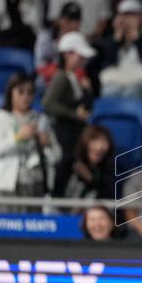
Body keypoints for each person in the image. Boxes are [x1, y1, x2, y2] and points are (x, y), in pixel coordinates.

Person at [0, 73, 62, 206]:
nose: (25, 97)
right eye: (20, 92)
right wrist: (18, 137)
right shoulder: (0, 118)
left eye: (30, 93)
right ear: (10, 93)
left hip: (36, 183)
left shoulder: (41, 119)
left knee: (34, 225)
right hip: (6, 186)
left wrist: (47, 144)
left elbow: (57, 155)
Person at [42, 31, 95, 181]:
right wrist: (74, 114)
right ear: (67, 54)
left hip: (72, 136)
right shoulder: (61, 77)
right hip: (62, 135)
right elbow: (48, 103)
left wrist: (87, 91)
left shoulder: (74, 78)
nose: (83, 60)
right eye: (80, 56)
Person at [98, 0, 142, 98]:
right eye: (125, 15)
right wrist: (117, 37)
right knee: (109, 93)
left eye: (132, 15)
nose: (128, 19)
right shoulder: (113, 38)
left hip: (140, 79)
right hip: (117, 79)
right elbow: (110, 61)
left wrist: (136, 35)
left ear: (140, 17)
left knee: (131, 94)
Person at [58, 125, 115, 201]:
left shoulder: (110, 171)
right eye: (95, 140)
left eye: (104, 141)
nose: (99, 147)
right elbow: (56, 195)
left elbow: (110, 198)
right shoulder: (68, 164)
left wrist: (91, 179)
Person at [35, 1, 83, 86]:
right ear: (60, 20)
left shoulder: (80, 41)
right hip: (45, 82)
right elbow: (40, 66)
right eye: (67, 20)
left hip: (70, 83)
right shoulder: (46, 36)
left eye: (75, 21)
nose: (71, 24)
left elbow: (79, 68)